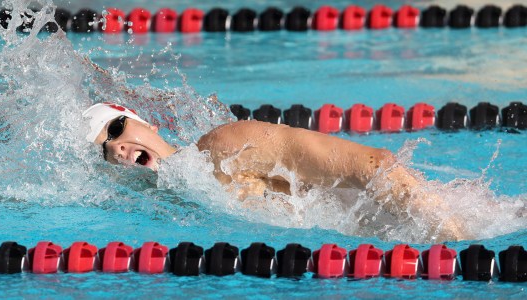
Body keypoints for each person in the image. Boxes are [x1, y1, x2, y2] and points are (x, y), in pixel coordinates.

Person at [84, 102, 467, 241]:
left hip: (434, 230)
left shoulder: (226, 147)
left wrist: (454, 240)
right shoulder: (164, 211)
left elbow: (373, 166)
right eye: (104, 150)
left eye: (116, 128)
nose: (115, 147)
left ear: (146, 123)